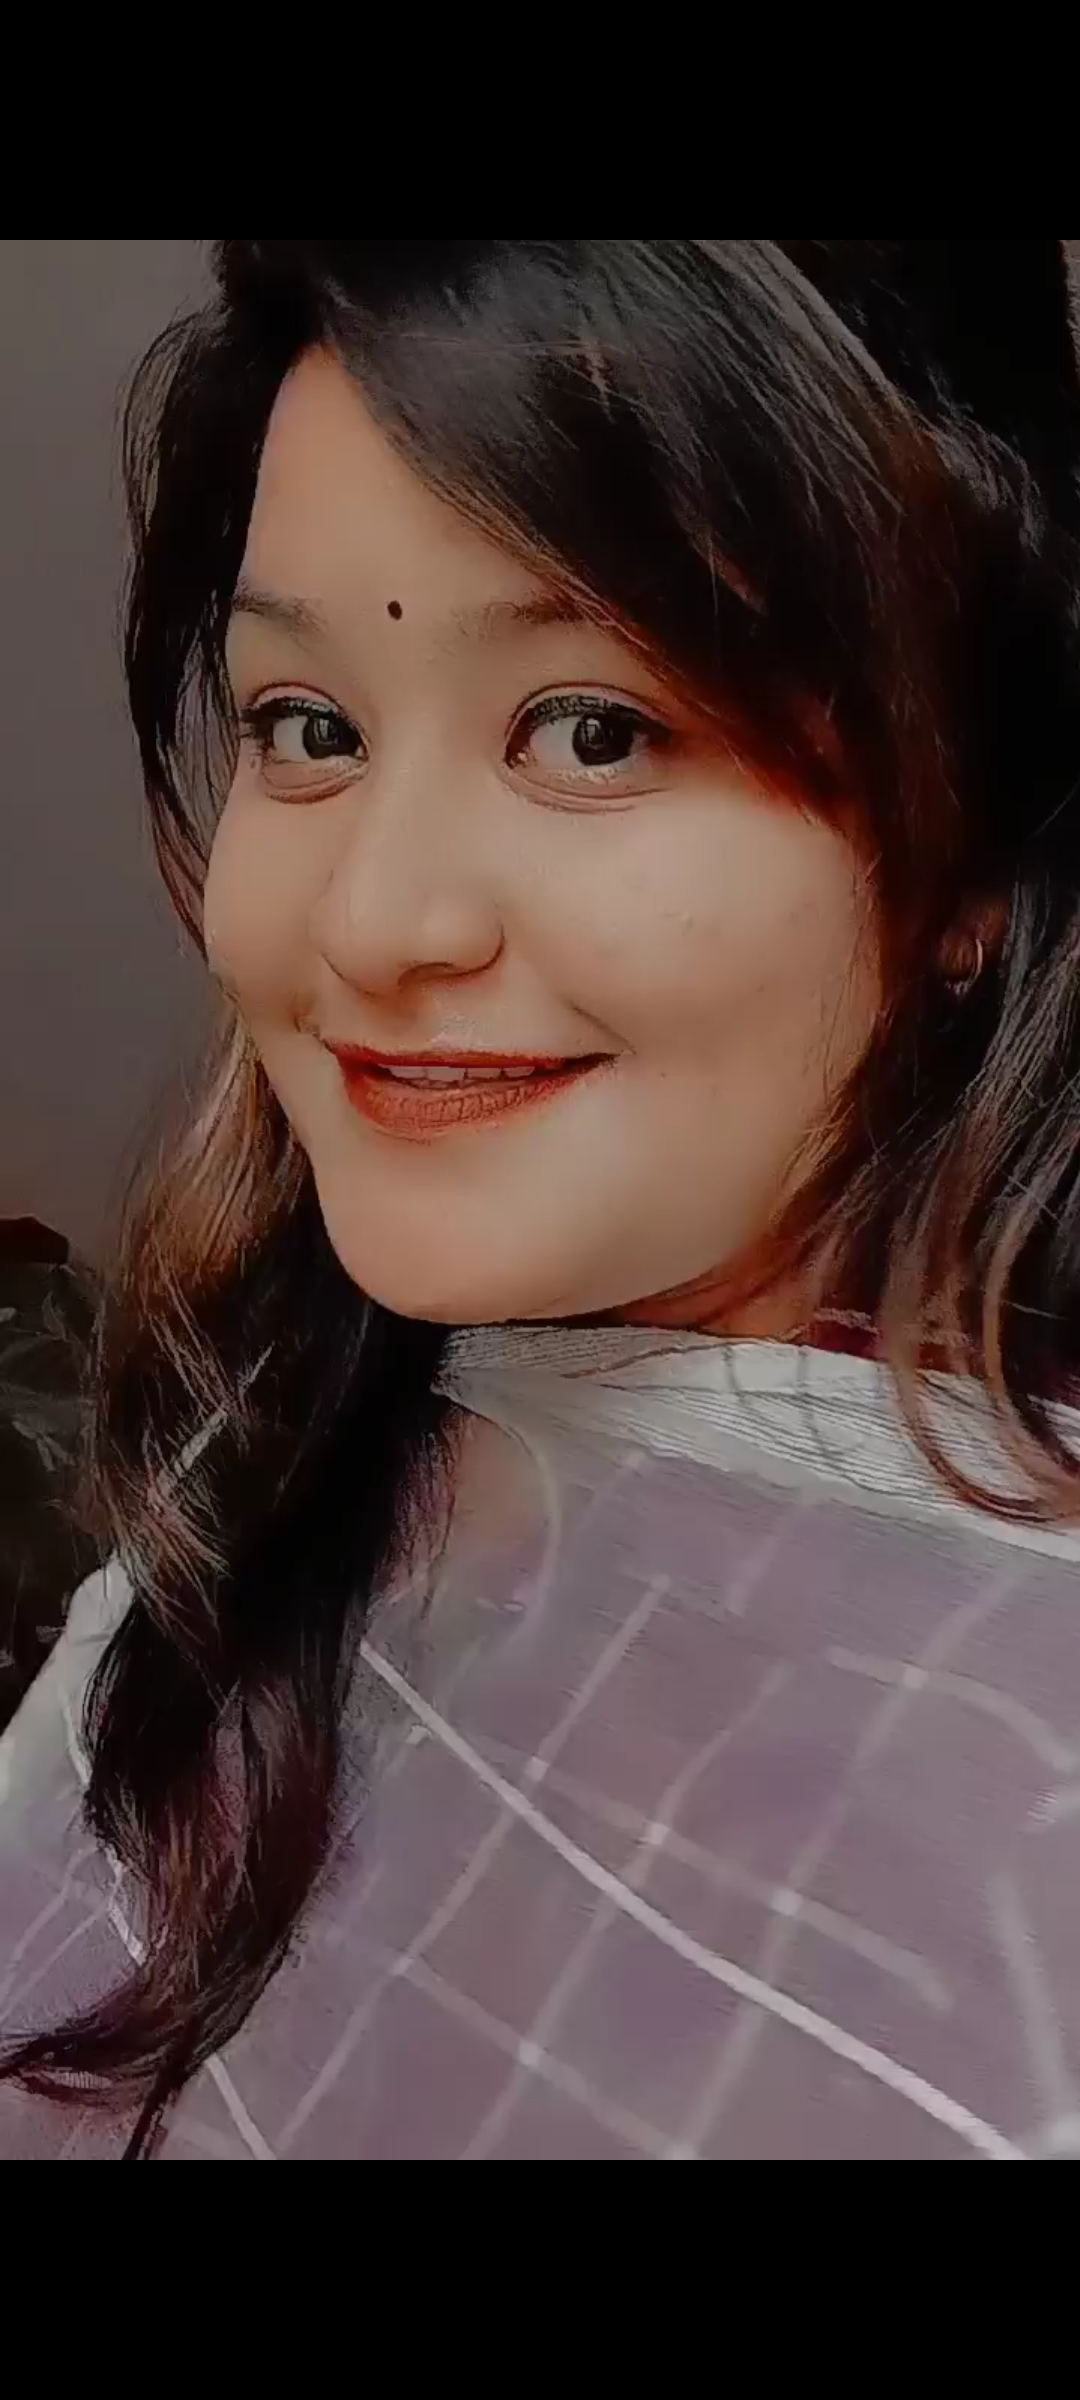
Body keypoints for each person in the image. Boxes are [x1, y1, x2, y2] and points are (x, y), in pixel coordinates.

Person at [3, 239, 1080, 2162]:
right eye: (308, 727)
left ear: (972, 859)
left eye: (596, 729)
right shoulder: (272, 1477)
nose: (373, 921)